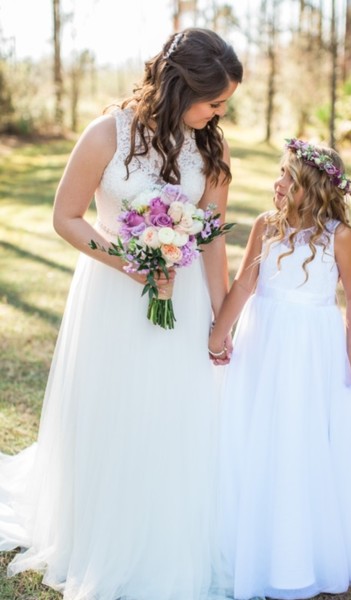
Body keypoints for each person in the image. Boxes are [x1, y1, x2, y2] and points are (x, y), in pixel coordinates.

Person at [0, 28, 242, 600]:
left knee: (175, 414)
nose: (219, 113)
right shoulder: (106, 134)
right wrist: (128, 261)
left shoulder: (212, 148)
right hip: (112, 297)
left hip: (179, 301)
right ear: (181, 90)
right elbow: (67, 217)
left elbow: (210, 239)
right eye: (214, 102)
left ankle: (167, 529)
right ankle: (103, 529)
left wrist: (220, 318)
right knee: (116, 410)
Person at [208, 139, 351, 600]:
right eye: (280, 174)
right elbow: (245, 282)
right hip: (263, 341)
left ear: (310, 188)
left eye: (287, 177)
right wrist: (219, 332)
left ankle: (302, 547)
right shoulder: (265, 226)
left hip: (314, 350)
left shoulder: (338, 236)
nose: (278, 183)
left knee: (303, 436)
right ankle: (249, 533)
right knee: (256, 431)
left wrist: (350, 352)